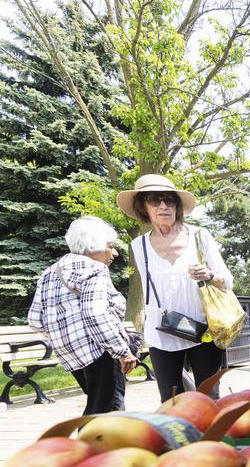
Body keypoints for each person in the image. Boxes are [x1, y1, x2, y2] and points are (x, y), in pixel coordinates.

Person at [120, 174, 234, 402]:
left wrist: (209, 275)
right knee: (171, 400)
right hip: (163, 330)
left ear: (178, 205)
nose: (163, 206)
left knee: (209, 397)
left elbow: (228, 281)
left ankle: (211, 437)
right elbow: (149, 290)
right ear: (144, 206)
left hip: (203, 329)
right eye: (155, 200)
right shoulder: (139, 245)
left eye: (169, 200)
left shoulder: (200, 236)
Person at [28, 216, 138, 414]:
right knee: (108, 413)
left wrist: (66, 330)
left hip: (70, 354)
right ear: (93, 245)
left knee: (100, 406)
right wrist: (122, 351)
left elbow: (35, 320)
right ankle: (86, 444)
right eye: (110, 246)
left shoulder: (49, 272)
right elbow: (95, 314)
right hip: (101, 350)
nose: (114, 252)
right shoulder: (96, 269)